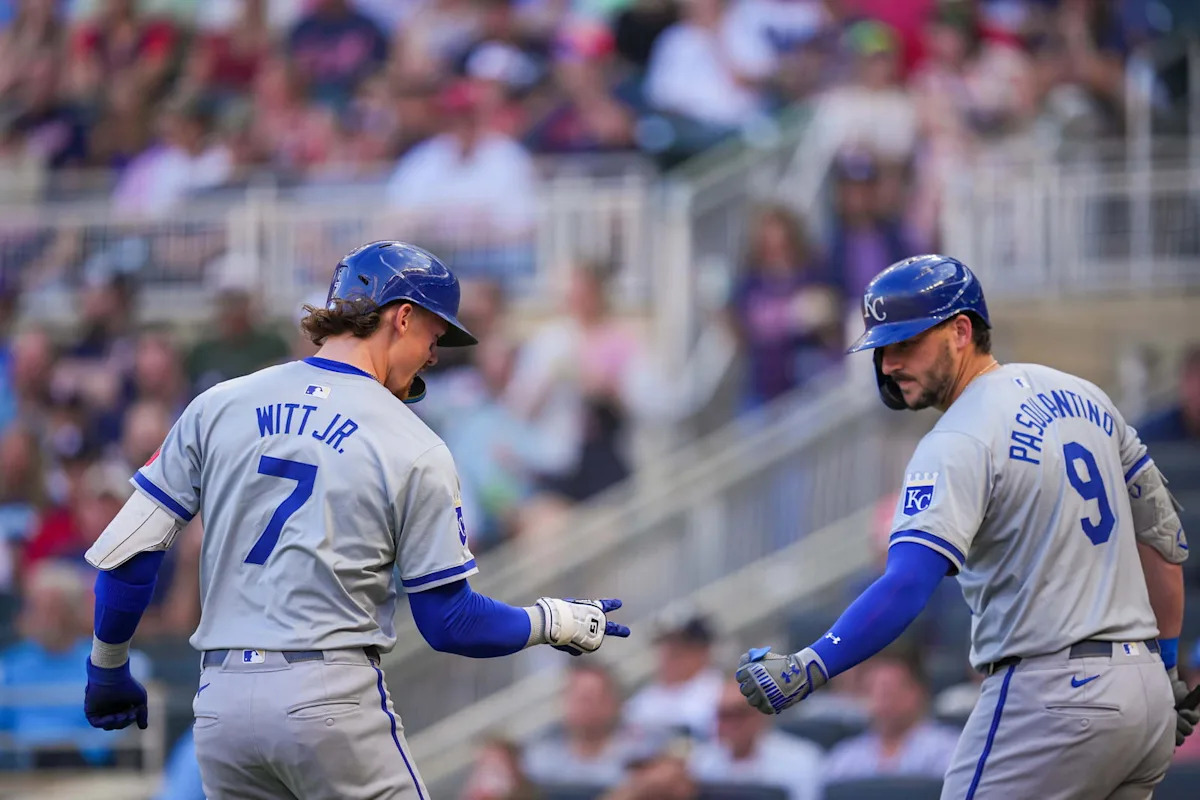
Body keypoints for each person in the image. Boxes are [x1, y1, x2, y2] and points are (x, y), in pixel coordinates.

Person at [79, 241, 630, 799]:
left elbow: (131, 555)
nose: (434, 356)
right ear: (404, 316)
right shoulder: (413, 442)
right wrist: (551, 620)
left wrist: (108, 667)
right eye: (434, 337)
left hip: (221, 708)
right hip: (327, 697)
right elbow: (450, 622)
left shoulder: (217, 403)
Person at [734, 254, 1193, 798]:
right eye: (882, 349)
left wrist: (813, 663)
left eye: (906, 343)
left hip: (1052, 695)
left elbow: (906, 585)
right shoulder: (1085, 396)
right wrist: (1164, 672)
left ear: (960, 331)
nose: (888, 364)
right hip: (1140, 696)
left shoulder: (957, 439)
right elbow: (1164, 547)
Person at [821, 647, 959, 784]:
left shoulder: (949, 750)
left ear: (918, 691)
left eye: (890, 690)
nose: (882, 699)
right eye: (873, 689)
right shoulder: (846, 757)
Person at [689, 678, 823, 800]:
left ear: (761, 714)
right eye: (722, 715)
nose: (728, 724)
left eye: (737, 714)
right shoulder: (700, 763)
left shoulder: (800, 761)